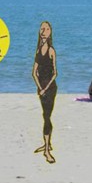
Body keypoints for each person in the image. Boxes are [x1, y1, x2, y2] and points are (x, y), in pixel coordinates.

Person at [32, 21, 58, 164]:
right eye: (42, 28)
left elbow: (55, 73)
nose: (44, 31)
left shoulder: (51, 50)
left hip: (50, 88)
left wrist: (45, 88)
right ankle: (47, 143)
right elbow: (33, 72)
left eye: (47, 29)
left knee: (47, 116)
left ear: (50, 32)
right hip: (41, 88)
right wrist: (39, 87)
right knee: (44, 115)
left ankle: (47, 150)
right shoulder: (38, 51)